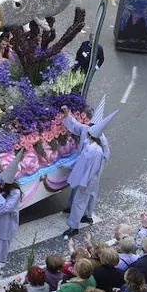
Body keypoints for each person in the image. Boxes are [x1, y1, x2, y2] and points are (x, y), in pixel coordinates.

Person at [62, 97, 117, 237]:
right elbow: (76, 126)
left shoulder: (95, 149)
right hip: (85, 174)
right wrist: (67, 114)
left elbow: (86, 163)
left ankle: (74, 226)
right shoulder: (89, 131)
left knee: (81, 199)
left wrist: (71, 168)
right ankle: (86, 214)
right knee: (84, 195)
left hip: (88, 176)